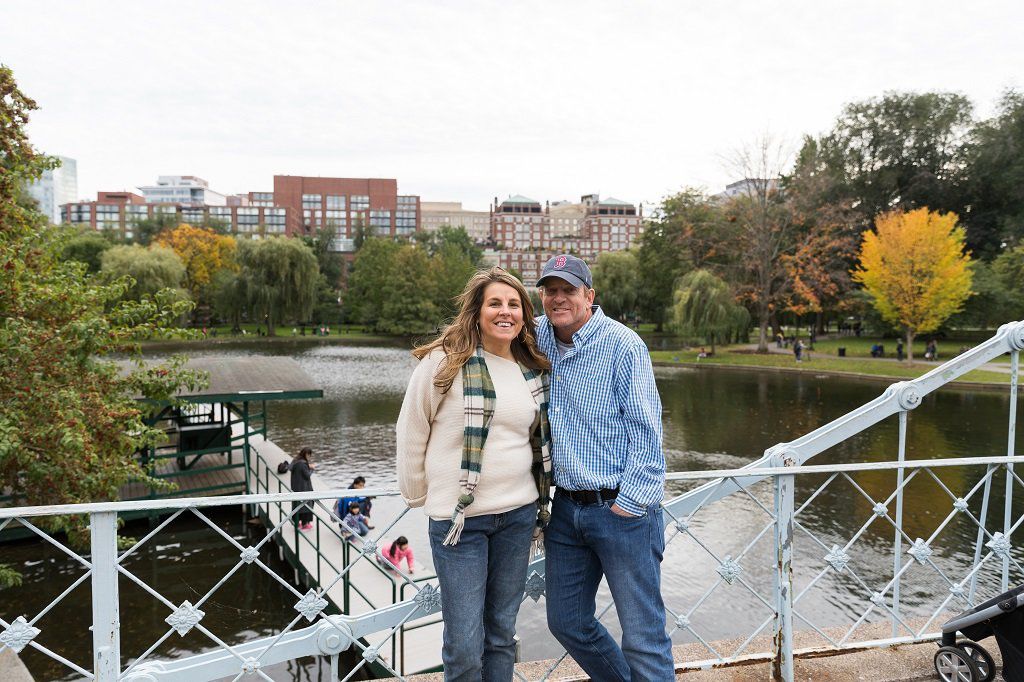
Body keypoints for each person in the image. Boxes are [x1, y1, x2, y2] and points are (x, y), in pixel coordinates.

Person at [396, 266, 552, 682]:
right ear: (477, 312)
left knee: (501, 634)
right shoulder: (445, 363)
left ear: (524, 315)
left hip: (518, 517)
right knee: (464, 644)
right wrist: (419, 498)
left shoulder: (530, 370)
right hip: (459, 523)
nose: (506, 312)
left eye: (514, 304)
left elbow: (531, 441)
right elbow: (412, 427)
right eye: (495, 303)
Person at [534, 254, 675, 681]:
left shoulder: (623, 345)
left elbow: (648, 433)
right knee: (567, 621)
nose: (558, 299)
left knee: (643, 638)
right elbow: (483, 330)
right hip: (566, 511)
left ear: (589, 296)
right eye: (550, 291)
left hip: (621, 510)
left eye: (568, 290)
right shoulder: (538, 336)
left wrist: (629, 505)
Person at [289, 447, 315, 531]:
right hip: (304, 488)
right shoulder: (303, 464)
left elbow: (290, 468)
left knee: (297, 504)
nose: (309, 457)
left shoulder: (295, 460)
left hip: (296, 487)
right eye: (309, 455)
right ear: (306, 454)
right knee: (307, 505)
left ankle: (297, 522)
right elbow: (307, 476)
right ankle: (305, 524)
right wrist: (312, 469)